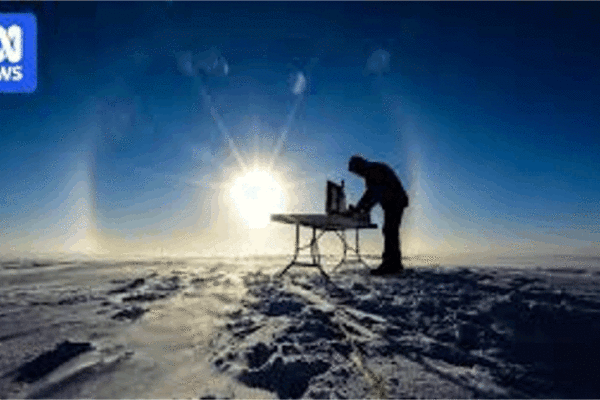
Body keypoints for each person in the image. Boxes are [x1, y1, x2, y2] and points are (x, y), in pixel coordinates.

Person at [346, 155, 409, 275]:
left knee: (390, 231)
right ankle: (395, 263)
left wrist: (360, 209)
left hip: (396, 201)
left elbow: (373, 193)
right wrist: (361, 208)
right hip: (395, 201)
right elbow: (370, 195)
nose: (357, 175)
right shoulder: (372, 170)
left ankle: (390, 265)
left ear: (359, 166)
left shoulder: (373, 171)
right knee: (390, 231)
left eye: (356, 171)